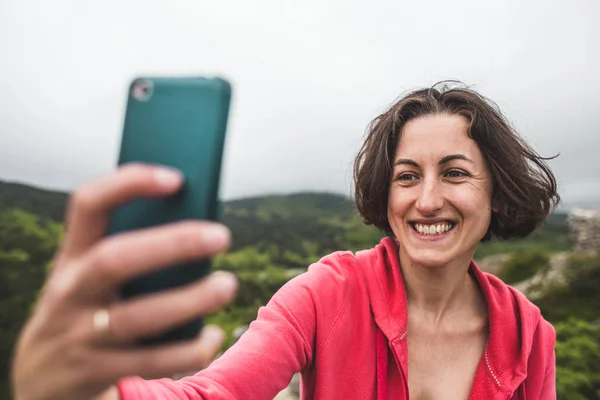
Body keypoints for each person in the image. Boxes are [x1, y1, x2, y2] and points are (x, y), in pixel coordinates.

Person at [11, 82, 559, 400]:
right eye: (407, 175)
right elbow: (214, 394)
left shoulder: (530, 335)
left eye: (456, 173)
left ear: (497, 193)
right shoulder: (326, 292)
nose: (427, 199)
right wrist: (88, 390)